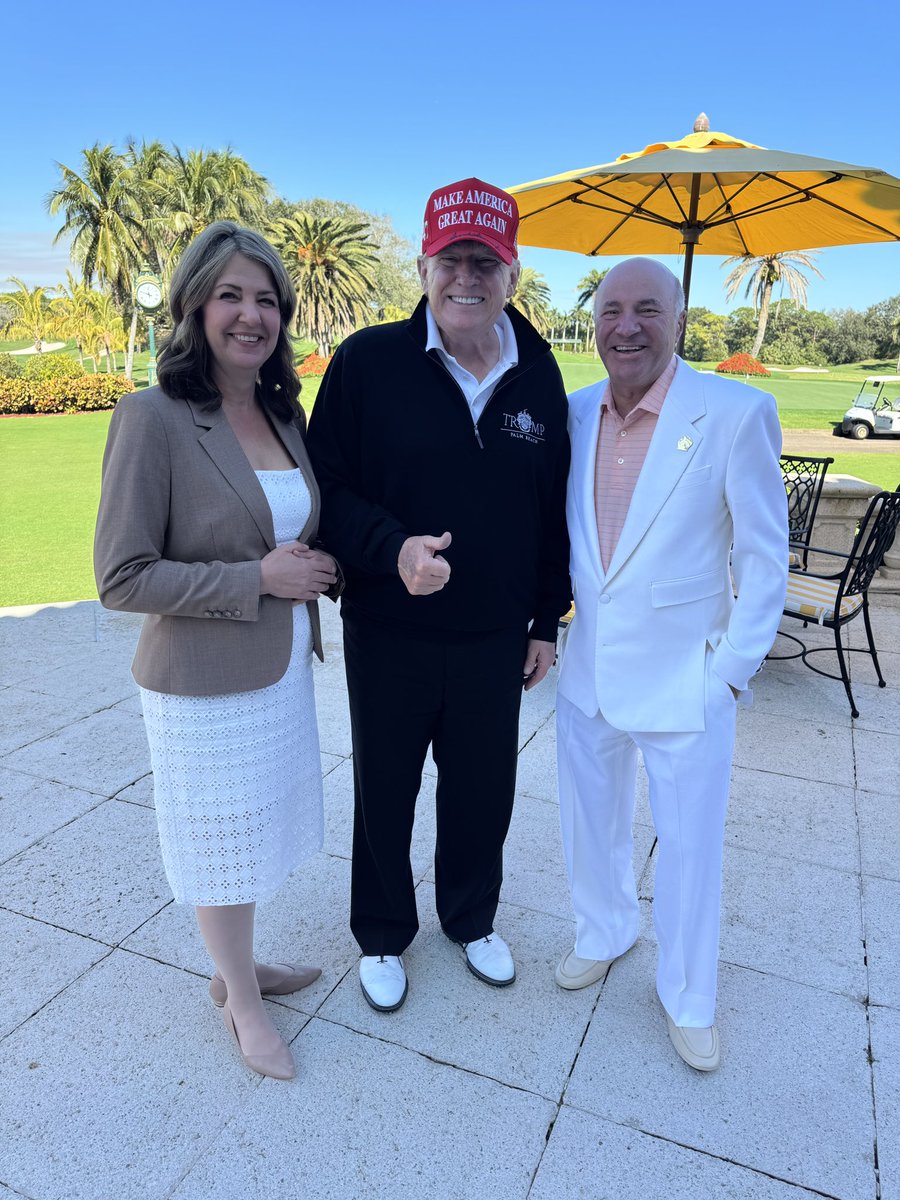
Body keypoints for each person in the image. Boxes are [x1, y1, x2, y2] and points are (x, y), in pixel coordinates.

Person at [306, 178, 570, 1012]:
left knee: (484, 786)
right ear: (422, 266)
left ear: (512, 272)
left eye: (485, 261)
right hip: (391, 627)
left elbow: (552, 507)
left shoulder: (538, 372)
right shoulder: (367, 361)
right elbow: (328, 491)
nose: (468, 277)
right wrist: (394, 551)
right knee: (385, 786)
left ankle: (471, 918)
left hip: (496, 636)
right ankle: (383, 934)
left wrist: (543, 621)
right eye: (451, 258)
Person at [94, 222, 340, 1081]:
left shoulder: (280, 411)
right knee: (220, 841)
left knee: (257, 828)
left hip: (275, 674)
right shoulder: (151, 417)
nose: (251, 315)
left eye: (267, 299)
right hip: (199, 683)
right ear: (195, 304)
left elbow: (289, 533)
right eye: (231, 295)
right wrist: (258, 581)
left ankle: (239, 966)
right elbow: (122, 577)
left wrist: (318, 567)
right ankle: (241, 1000)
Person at [555, 258, 788, 1071]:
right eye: (612, 308)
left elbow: (766, 559)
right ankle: (604, 929)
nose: (626, 325)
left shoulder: (735, 412)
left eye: (647, 309)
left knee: (689, 848)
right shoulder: (574, 413)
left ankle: (689, 996)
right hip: (587, 673)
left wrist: (729, 672)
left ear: (679, 320)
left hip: (688, 680)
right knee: (590, 824)